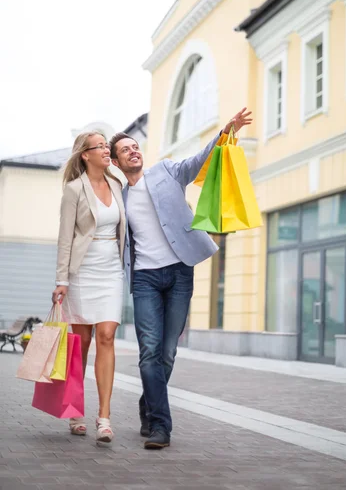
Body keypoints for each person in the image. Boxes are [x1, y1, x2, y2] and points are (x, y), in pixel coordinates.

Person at [109, 108, 252, 449]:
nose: (133, 150)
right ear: (116, 161)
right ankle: (161, 426)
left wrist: (224, 133)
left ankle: (149, 404)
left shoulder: (166, 171)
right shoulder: (119, 197)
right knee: (149, 353)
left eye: (135, 146)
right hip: (143, 277)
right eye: (125, 149)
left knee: (168, 353)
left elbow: (197, 162)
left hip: (179, 271)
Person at [52, 132, 126, 445]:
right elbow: (65, 236)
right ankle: (74, 411)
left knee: (107, 336)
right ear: (86, 154)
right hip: (82, 272)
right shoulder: (73, 190)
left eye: (107, 146)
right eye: (101, 147)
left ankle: (104, 417)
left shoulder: (117, 185)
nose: (107, 150)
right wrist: (62, 280)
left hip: (111, 271)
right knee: (80, 345)